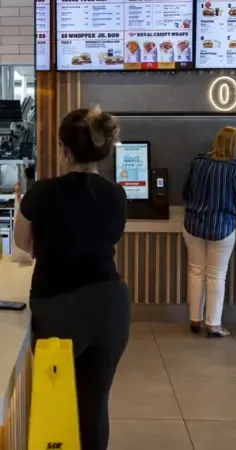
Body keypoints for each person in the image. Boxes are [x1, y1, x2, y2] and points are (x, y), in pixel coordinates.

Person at [14, 106, 129, 450]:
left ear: (63, 150)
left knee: (54, 402)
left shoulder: (41, 192)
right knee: (95, 405)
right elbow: (109, 238)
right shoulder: (116, 195)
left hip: (57, 306)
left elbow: (22, 243)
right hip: (110, 306)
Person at [183, 126, 236, 337]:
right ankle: (213, 325)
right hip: (222, 227)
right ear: (235, 146)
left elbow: (185, 192)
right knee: (216, 276)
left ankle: (195, 320)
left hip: (193, 224)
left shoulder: (198, 162)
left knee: (195, 272)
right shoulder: (235, 168)